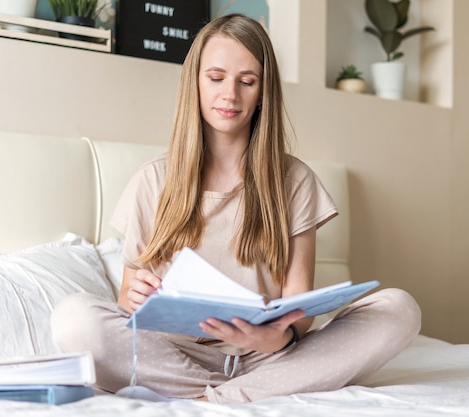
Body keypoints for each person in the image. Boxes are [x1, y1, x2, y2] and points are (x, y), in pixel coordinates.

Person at [50, 14, 421, 404]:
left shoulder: (295, 181)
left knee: (398, 309)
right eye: (216, 78)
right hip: (176, 355)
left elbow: (300, 307)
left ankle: (214, 400)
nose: (230, 94)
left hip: (269, 358)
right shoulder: (152, 181)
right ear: (195, 82)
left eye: (247, 81)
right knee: (75, 318)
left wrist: (278, 335)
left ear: (263, 93)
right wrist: (138, 297)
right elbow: (128, 299)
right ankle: (230, 397)